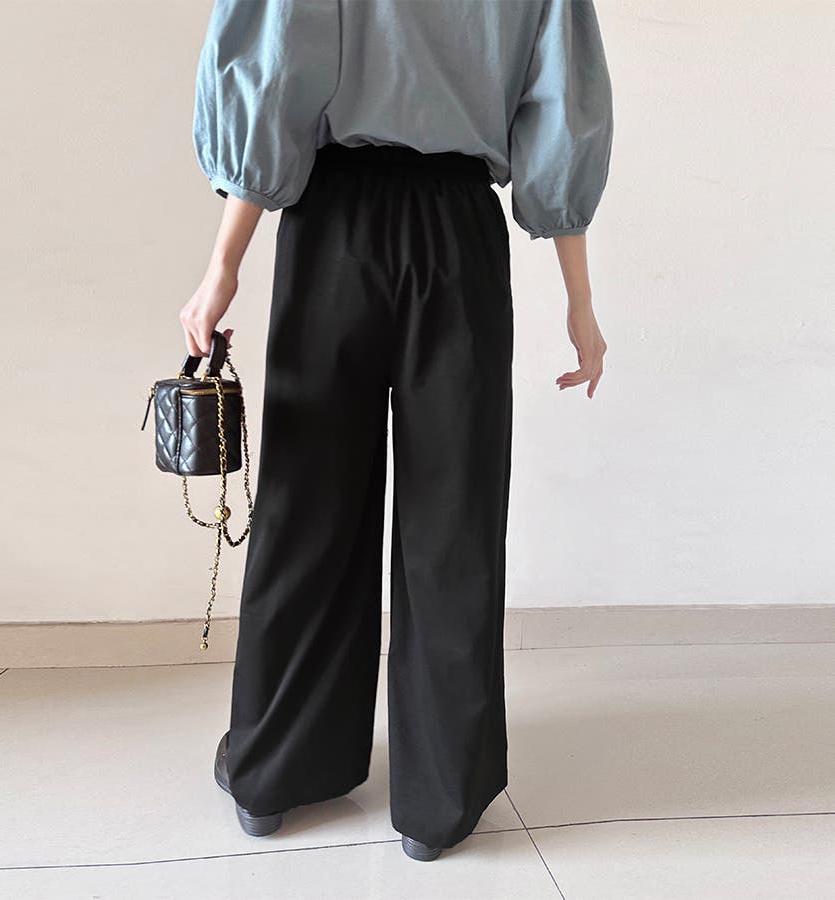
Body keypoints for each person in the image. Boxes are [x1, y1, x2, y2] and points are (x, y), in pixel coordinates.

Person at [180, 0, 613, 862]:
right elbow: (564, 106)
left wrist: (223, 263)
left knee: (308, 508)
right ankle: (438, 798)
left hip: (333, 226)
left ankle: (274, 771)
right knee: (454, 519)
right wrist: (580, 297)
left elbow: (273, 72)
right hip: (458, 234)